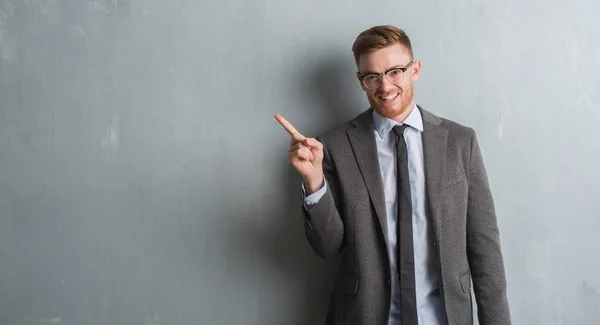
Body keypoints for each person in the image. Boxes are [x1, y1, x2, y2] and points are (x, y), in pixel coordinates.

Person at [275, 25, 510, 325]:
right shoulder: (334, 146)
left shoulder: (460, 142)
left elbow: (484, 248)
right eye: (372, 76)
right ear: (361, 82)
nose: (385, 87)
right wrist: (313, 181)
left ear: (415, 70)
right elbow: (327, 247)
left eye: (395, 71)